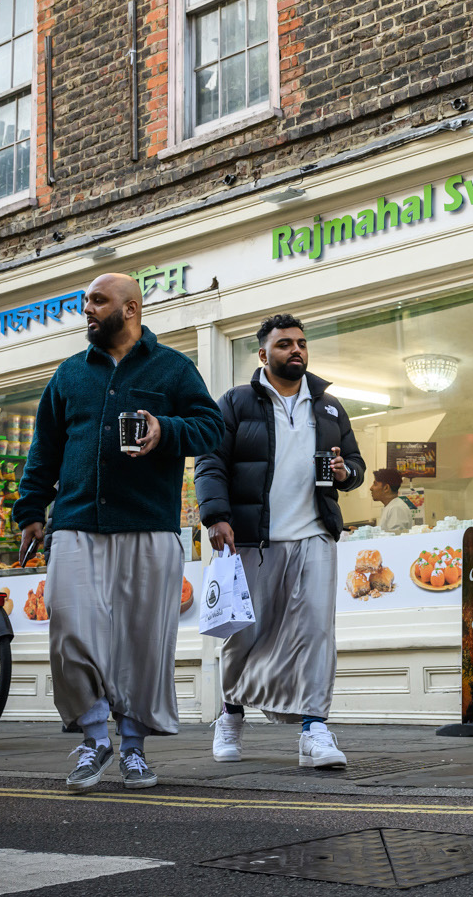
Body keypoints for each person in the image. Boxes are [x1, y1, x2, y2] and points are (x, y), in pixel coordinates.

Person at [14, 274, 221, 793]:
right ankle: (93, 733)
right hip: (77, 523)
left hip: (147, 525)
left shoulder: (173, 367)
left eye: (97, 301)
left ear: (130, 308)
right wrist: (30, 509)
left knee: (141, 642)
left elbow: (211, 426)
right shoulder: (68, 374)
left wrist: (164, 430)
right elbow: (44, 449)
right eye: (85, 300)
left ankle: (131, 746)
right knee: (69, 632)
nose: (87, 309)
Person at [196, 314, 366, 768]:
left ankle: (315, 730)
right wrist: (215, 516)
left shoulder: (328, 407)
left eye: (302, 344)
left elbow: (354, 463)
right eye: (285, 344)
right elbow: (210, 462)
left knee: (316, 631)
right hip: (255, 538)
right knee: (246, 634)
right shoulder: (235, 403)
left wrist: (347, 473)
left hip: (314, 534)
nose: (296, 350)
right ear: (263, 354)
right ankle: (231, 714)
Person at [370, 468, 415, 534]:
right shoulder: (391, 506)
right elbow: (384, 533)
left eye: (375, 484)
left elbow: (395, 539)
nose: (371, 488)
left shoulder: (396, 508)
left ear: (386, 488)